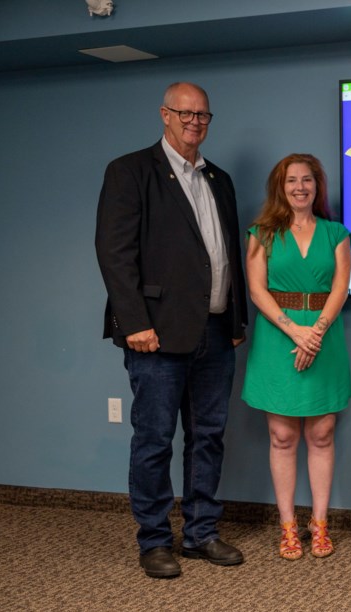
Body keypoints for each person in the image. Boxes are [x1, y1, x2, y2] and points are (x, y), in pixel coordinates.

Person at [95, 82, 249, 579]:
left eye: (203, 114)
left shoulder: (218, 178)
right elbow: (114, 254)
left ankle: (201, 533)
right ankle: (155, 539)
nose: (195, 122)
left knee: (208, 437)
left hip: (216, 331)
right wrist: (133, 323)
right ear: (164, 114)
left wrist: (236, 318)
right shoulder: (130, 171)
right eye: (185, 113)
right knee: (155, 439)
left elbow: (225, 255)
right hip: (155, 335)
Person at [241, 154, 351, 560]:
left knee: (321, 434)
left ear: (317, 187)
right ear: (280, 186)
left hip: (324, 337)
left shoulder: (336, 233)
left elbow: (340, 288)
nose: (300, 187)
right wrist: (295, 332)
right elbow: (257, 290)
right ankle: (288, 526)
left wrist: (315, 334)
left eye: (307, 180)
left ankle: (319, 524)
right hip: (278, 338)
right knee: (282, 436)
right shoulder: (262, 233)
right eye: (292, 180)